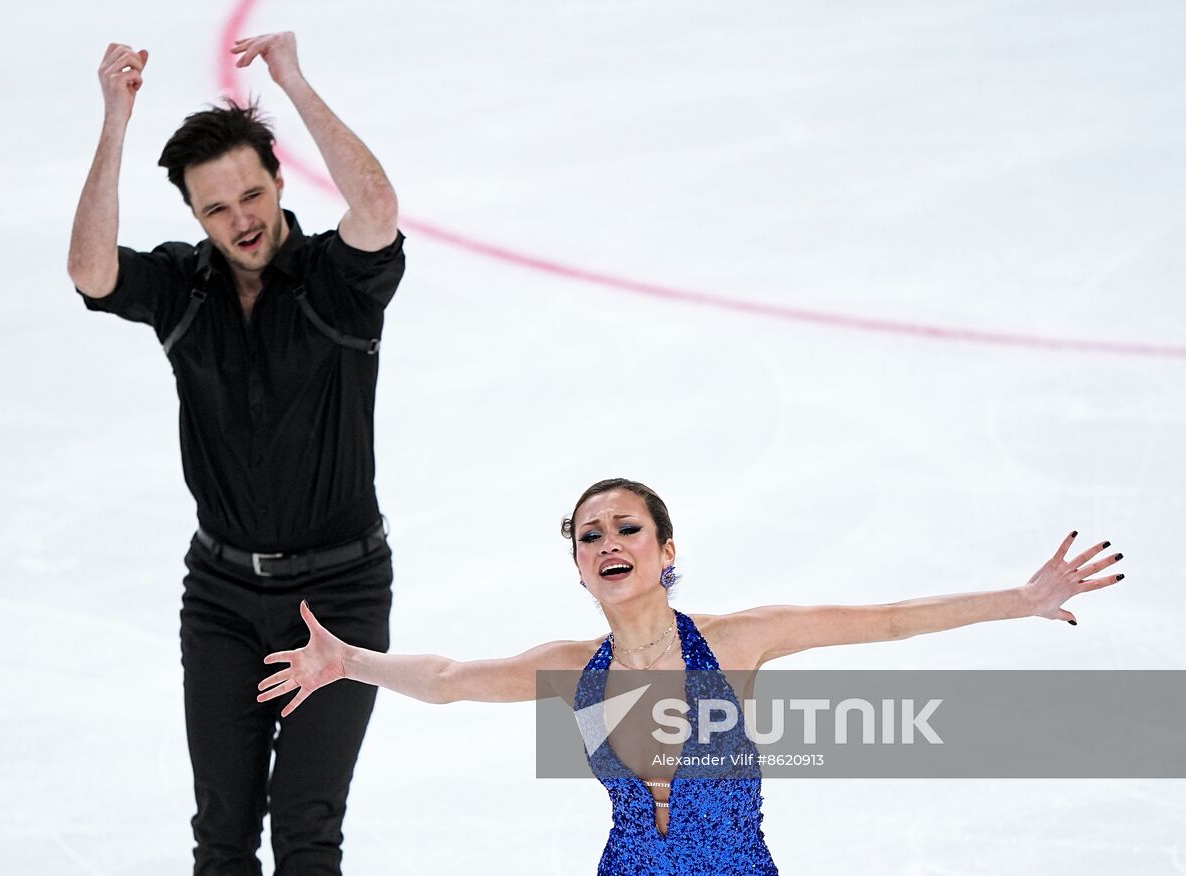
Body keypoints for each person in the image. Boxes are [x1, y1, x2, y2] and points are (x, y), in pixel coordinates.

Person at [256, 478, 1126, 875]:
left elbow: (888, 619)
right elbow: (448, 678)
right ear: (579, 569)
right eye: (590, 536)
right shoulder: (574, 670)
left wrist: (1021, 599)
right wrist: (349, 662)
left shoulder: (737, 644)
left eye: (626, 528)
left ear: (665, 553)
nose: (608, 544)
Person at [66, 33, 405, 875]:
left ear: (279, 180)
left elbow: (377, 209)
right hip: (219, 597)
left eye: (252, 195)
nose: (242, 220)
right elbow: (91, 270)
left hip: (340, 593)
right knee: (221, 836)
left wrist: (290, 80)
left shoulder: (338, 283)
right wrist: (116, 120)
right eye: (217, 210)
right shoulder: (185, 291)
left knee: (305, 829)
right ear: (194, 217)